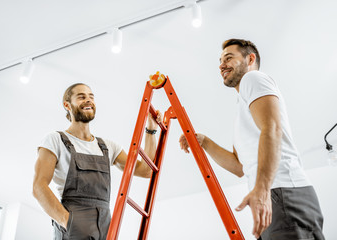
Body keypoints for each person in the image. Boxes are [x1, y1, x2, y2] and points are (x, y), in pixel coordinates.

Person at [179, 39, 325, 240]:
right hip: (273, 195)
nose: (221, 65)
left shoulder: (252, 79)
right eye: (220, 61)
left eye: (229, 58)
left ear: (250, 59)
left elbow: (272, 128)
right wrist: (203, 141)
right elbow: (240, 167)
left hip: (281, 191)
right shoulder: (242, 107)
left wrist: (263, 190)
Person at [33, 83, 161, 239]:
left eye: (91, 96)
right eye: (81, 97)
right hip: (73, 225)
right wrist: (67, 223)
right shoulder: (55, 139)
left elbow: (146, 171)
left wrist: (151, 130)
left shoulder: (108, 146)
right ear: (67, 105)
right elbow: (39, 187)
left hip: (105, 226)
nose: (88, 100)